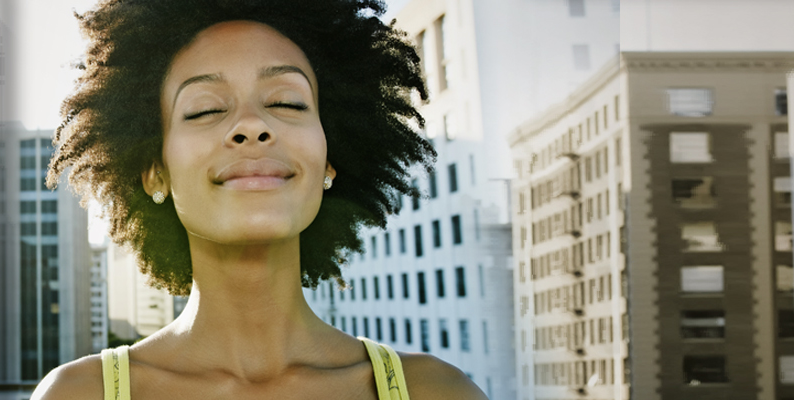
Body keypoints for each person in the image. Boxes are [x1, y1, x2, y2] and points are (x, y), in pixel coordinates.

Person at [32, 0, 485, 399]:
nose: (251, 125)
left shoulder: (436, 393)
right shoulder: (80, 395)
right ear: (156, 171)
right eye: (205, 109)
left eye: (287, 103)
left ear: (331, 159)